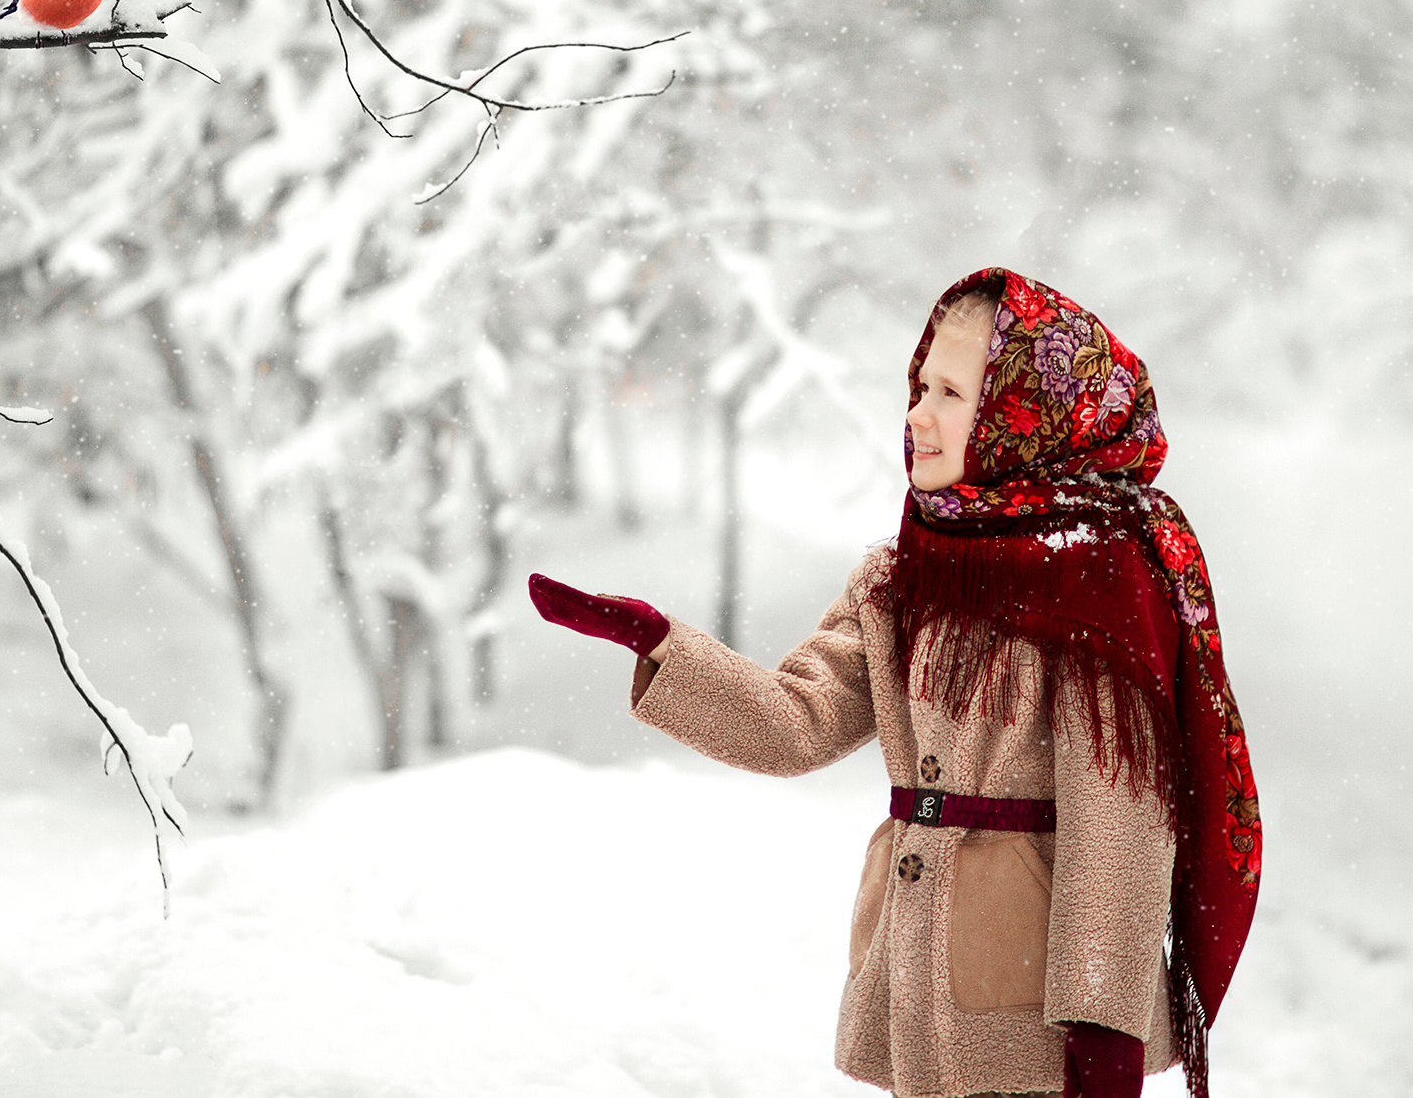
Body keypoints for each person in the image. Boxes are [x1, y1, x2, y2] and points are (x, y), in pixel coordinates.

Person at [527, 268, 1260, 1098]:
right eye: (920, 383)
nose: (917, 413)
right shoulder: (897, 576)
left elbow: (1117, 831)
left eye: (951, 390)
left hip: (1034, 1027)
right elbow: (797, 720)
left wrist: (1104, 1034)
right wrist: (663, 646)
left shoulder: (1092, 587)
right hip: (917, 989)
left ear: (1022, 416)